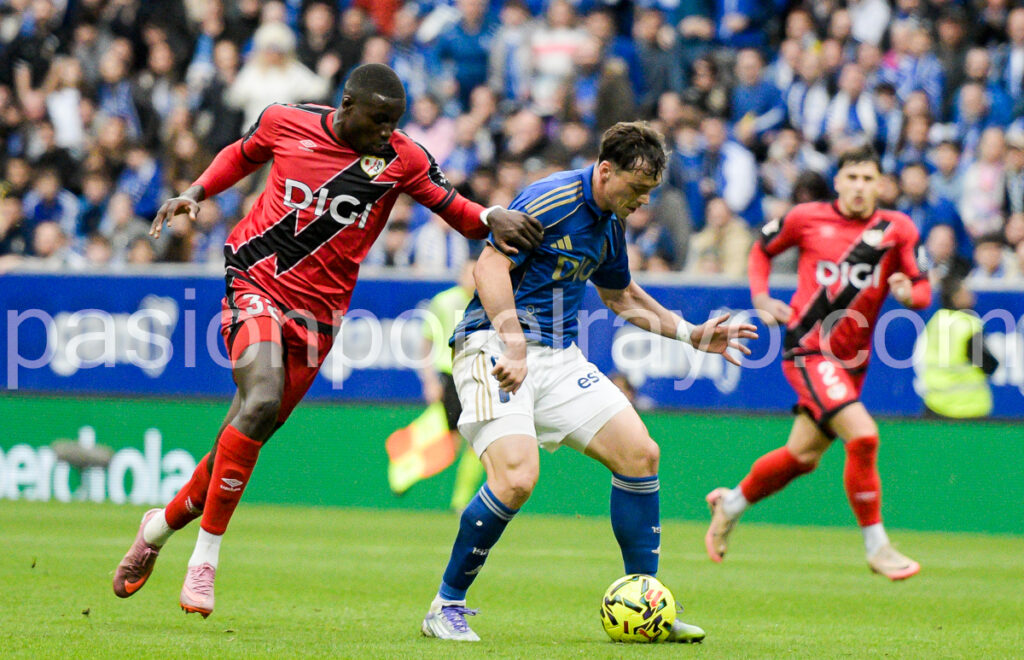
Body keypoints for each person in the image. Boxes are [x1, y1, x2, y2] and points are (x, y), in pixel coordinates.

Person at [111, 63, 543, 617]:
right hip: (255, 281)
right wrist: (195, 191)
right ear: (348, 105)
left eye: (395, 122)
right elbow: (241, 154)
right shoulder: (285, 121)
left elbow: (451, 206)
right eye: (379, 120)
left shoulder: (401, 159)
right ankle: (205, 561)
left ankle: (156, 528)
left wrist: (491, 216)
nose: (387, 132)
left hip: (320, 316)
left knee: (242, 433)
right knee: (260, 397)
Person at [419, 121, 757, 642]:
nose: (641, 203)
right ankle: (446, 604)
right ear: (604, 170)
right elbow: (487, 269)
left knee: (641, 454)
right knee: (515, 479)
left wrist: (691, 334)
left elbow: (621, 296)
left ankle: (648, 605)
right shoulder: (549, 199)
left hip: (555, 356)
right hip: (489, 345)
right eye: (636, 190)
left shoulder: (611, 223)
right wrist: (512, 343)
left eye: (648, 194)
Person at [704, 144, 932, 581]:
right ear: (839, 182)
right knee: (863, 438)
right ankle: (877, 546)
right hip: (809, 349)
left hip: (853, 361)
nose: (861, 187)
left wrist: (908, 294)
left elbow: (921, 288)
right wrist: (761, 297)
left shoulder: (897, 229)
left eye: (869, 179)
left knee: (802, 456)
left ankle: (729, 503)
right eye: (853, 178)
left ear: (880, 184)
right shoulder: (807, 217)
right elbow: (761, 249)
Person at [406, 258, 486, 511]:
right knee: (451, 444)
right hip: (450, 375)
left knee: (478, 440)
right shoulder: (443, 301)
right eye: (468, 273)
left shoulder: (489, 302)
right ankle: (408, 468)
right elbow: (426, 341)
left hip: (478, 375)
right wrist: (429, 380)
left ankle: (460, 501)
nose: (472, 279)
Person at [917, 276, 997, 419]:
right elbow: (987, 364)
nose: (971, 296)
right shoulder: (967, 325)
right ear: (955, 298)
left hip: (935, 405)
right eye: (966, 292)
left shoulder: (936, 320)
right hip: (967, 408)